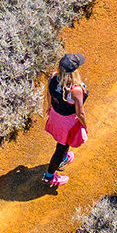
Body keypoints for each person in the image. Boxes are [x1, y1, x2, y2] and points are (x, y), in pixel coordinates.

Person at [43, 52, 88, 188]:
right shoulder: (76, 90)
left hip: (55, 115)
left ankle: (63, 157)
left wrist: (49, 107)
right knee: (61, 147)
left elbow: (48, 94)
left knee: (63, 143)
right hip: (67, 123)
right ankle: (49, 176)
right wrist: (85, 126)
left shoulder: (53, 77)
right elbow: (80, 113)